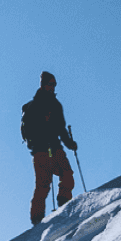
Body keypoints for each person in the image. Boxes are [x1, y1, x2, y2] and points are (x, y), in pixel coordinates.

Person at [20, 71, 78, 225]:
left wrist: (69, 143)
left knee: (67, 174)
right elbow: (32, 129)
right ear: (43, 85)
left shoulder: (56, 105)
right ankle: (37, 219)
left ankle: (63, 202)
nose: (53, 87)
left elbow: (61, 128)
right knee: (43, 185)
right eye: (50, 84)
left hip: (55, 147)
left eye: (54, 84)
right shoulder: (33, 106)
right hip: (41, 150)